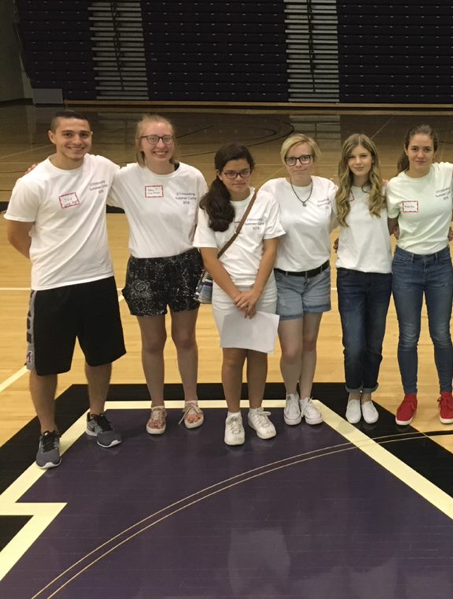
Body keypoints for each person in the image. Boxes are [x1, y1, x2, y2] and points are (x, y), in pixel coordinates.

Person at [5, 110, 125, 469]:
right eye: (69, 134)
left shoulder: (102, 168)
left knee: (100, 357)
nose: (77, 141)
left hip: (99, 281)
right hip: (52, 288)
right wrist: (45, 260)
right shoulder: (34, 183)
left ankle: (97, 416)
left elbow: (142, 179)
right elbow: (15, 234)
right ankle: (47, 431)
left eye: (83, 135)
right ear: (52, 137)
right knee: (44, 367)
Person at [109, 114, 208, 434]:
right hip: (144, 269)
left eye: (166, 138)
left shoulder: (192, 177)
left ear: (174, 142)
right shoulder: (124, 178)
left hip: (185, 265)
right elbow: (83, 178)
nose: (160, 145)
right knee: (152, 341)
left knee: (185, 338)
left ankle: (191, 400)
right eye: (152, 138)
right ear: (140, 144)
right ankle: (157, 406)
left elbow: (204, 223)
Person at [194, 143, 285, 446]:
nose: (238, 178)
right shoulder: (209, 206)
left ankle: (256, 410)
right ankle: (233, 415)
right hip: (227, 295)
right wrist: (236, 295)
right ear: (219, 174)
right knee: (233, 358)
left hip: (263, 291)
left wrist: (256, 291)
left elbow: (271, 248)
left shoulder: (266, 201)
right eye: (230, 173)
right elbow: (209, 258)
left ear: (251, 169)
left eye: (243, 171)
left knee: (258, 353)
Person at [262, 135, 338, 427]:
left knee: (309, 342)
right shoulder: (272, 189)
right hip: (284, 279)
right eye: (292, 159)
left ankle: (306, 397)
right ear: (284, 161)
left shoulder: (328, 189)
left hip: (318, 276)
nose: (298, 164)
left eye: (305, 157)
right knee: (291, 348)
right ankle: (290, 395)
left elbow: (347, 212)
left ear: (314, 159)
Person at [386, 124, 453, 426]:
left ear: (435, 151)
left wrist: (442, 227)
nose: (420, 154)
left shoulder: (446, 173)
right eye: (415, 148)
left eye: (426, 149)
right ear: (406, 150)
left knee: (441, 334)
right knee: (409, 336)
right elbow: (390, 224)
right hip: (406, 266)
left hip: (440, 263)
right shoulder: (395, 186)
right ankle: (410, 395)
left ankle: (446, 393)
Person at [334, 133, 393, 426]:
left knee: (374, 344)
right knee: (354, 343)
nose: (358, 162)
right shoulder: (338, 196)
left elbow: (402, 224)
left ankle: (368, 393)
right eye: (353, 157)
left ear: (372, 158)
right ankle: (352, 393)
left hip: (382, 276)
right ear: (346, 162)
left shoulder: (386, 192)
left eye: (363, 156)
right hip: (350, 277)